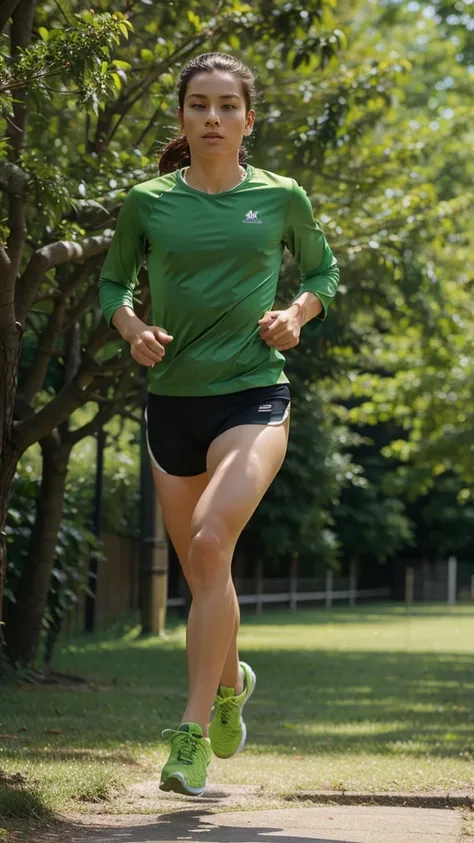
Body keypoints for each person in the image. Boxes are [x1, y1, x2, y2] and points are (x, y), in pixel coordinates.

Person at [98, 52, 339, 797]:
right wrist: (130, 324)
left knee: (208, 540)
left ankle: (191, 734)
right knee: (208, 573)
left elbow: (323, 273)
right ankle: (232, 680)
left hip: (253, 395)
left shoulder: (281, 197)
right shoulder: (148, 201)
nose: (212, 117)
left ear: (248, 119)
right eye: (198, 105)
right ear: (182, 117)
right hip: (172, 404)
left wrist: (296, 313)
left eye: (227, 106)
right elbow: (112, 281)